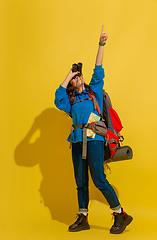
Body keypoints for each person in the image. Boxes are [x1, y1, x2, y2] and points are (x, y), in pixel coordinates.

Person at [54, 25, 133, 234]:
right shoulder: (71, 101)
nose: (78, 77)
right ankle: (83, 217)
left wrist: (101, 44)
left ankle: (120, 214)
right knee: (80, 181)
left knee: (98, 178)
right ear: (71, 83)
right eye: (75, 77)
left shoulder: (93, 92)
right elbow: (57, 98)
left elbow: (98, 69)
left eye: (79, 75)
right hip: (77, 141)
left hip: (95, 140)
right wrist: (68, 74)